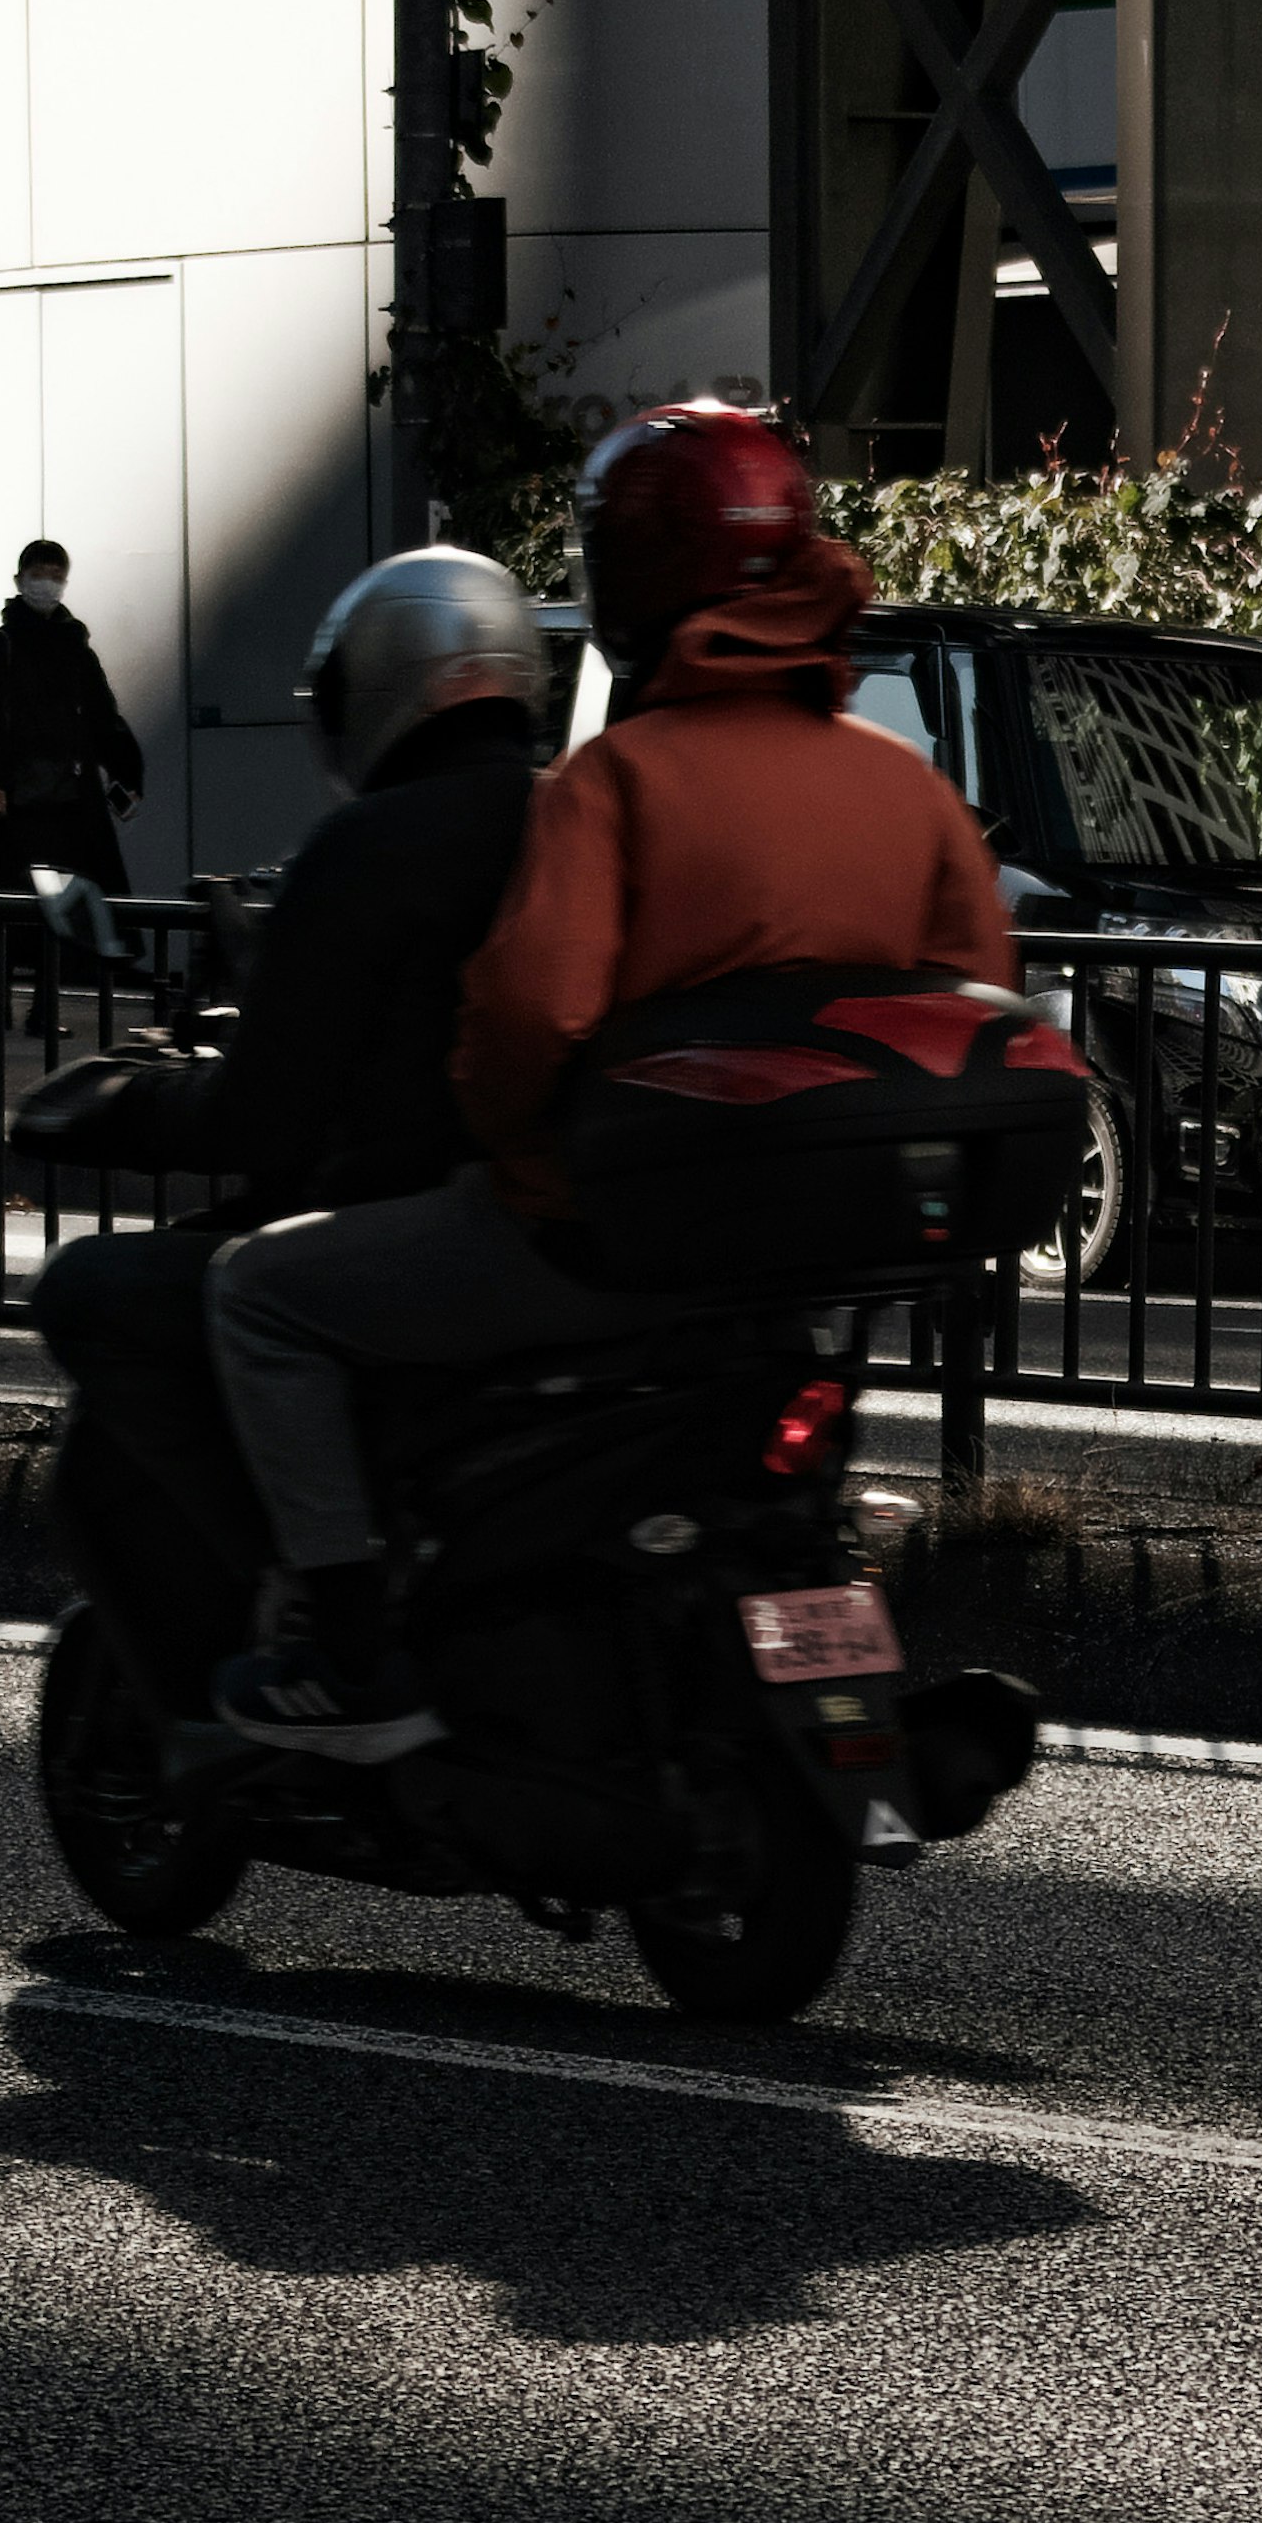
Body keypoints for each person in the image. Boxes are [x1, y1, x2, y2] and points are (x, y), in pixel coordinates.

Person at [203, 405, 1017, 1757]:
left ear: (627, 582)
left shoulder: (613, 783)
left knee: (262, 1298)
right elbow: (974, 999)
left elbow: (528, 1019)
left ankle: (353, 1661)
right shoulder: (907, 788)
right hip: (807, 1284)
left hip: (602, 1245)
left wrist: (510, 1148)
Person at [30, 548, 546, 1717]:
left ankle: (323, 1600)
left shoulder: (366, 847)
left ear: (374, 687)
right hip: (567, 1224)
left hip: (424, 1228)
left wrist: (126, 1100)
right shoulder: (581, 819)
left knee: (104, 1290)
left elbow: (267, 1116)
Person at [0, 541, 142, 898]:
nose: (47, 584)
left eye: (56, 576)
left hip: (68, 797)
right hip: (21, 797)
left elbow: (101, 716)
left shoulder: (74, 647)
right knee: (27, 895)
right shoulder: (1, 647)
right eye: (38, 574)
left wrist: (126, 773)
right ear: (19, 579)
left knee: (58, 895)